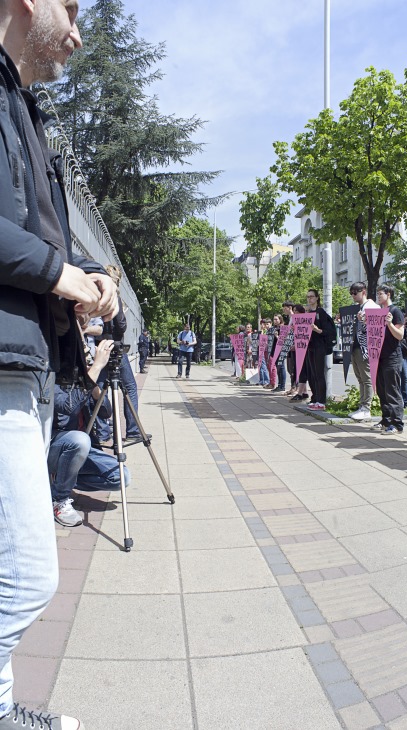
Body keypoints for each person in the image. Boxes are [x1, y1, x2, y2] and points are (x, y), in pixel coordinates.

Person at [1, 3, 118, 727]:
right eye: (68, 7)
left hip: (25, 363)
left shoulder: (25, 108)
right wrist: (62, 274)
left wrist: (84, 272)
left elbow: (28, 228)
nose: (77, 31)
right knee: (28, 577)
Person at [49, 335, 128, 527]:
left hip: (74, 455)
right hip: (54, 447)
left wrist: (94, 387)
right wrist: (95, 369)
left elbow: (106, 412)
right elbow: (68, 406)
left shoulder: (86, 378)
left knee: (121, 477)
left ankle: (60, 482)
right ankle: (59, 499)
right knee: (80, 440)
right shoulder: (54, 376)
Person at [374, 284, 407, 433]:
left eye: (381, 294)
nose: (378, 296)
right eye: (377, 294)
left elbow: (400, 335)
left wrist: (389, 324)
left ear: (388, 294)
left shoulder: (395, 311)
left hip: (392, 357)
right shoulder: (379, 312)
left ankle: (397, 424)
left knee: (392, 390)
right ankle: (386, 421)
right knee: (382, 391)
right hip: (379, 356)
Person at [348, 281, 379, 420]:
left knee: (366, 379)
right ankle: (362, 407)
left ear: (364, 292)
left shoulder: (372, 306)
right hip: (357, 346)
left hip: (365, 348)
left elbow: (376, 328)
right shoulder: (360, 307)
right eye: (351, 293)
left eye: (355, 292)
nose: (353, 295)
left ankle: (366, 408)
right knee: (361, 378)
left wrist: (365, 321)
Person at [304, 289, 335, 411]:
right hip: (310, 346)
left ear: (317, 298)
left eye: (311, 296)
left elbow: (328, 331)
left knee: (319, 373)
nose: (309, 299)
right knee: (312, 374)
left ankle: (321, 401)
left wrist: (317, 330)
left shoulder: (321, 313)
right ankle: (315, 398)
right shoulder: (308, 313)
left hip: (319, 346)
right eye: (308, 297)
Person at [271, 313, 287, 392]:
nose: (275, 321)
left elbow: (283, 341)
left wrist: (277, 336)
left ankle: (282, 385)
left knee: (281, 367)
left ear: (280, 320)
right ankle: (279, 384)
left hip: (280, 350)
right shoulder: (275, 328)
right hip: (274, 349)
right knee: (278, 367)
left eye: (276, 319)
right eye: (274, 319)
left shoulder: (282, 328)